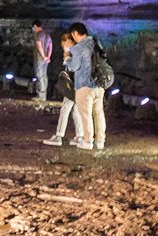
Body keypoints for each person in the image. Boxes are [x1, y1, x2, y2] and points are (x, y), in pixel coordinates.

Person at [63, 22, 107, 150]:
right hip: (99, 85)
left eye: (73, 36)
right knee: (99, 113)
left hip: (84, 85)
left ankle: (88, 141)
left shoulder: (79, 48)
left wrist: (67, 59)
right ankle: (100, 141)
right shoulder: (96, 43)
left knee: (86, 114)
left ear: (75, 33)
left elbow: (74, 66)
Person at [40, 39, 77, 146]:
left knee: (65, 110)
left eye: (65, 45)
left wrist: (67, 59)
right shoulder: (79, 53)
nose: (64, 48)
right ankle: (80, 136)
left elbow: (71, 70)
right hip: (78, 86)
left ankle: (59, 136)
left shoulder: (73, 55)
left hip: (73, 87)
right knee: (76, 112)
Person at [31, 20, 53, 101]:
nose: (33, 29)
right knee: (44, 76)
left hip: (40, 58)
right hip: (46, 59)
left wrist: (43, 56)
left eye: (33, 27)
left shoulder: (38, 35)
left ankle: (41, 95)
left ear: (36, 26)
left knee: (39, 75)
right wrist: (48, 57)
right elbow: (50, 46)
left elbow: (39, 45)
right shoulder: (47, 35)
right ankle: (44, 95)